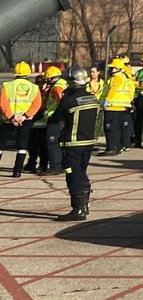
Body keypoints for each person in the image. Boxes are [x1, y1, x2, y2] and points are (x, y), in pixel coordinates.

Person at [49, 67, 101, 221]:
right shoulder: (93, 98)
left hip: (72, 143)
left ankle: (78, 210)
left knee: (73, 176)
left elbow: (56, 118)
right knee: (81, 172)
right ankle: (84, 206)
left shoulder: (69, 100)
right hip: (88, 142)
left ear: (72, 82)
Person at [2, 63, 42, 178]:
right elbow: (36, 104)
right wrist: (24, 116)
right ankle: (17, 171)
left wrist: (12, 117)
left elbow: (3, 104)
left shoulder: (7, 85)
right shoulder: (34, 88)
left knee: (1, 144)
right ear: (28, 73)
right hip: (26, 120)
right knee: (22, 145)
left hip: (9, 120)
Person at [101, 56, 136, 155]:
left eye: (113, 68)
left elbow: (113, 90)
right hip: (121, 107)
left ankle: (111, 148)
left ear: (118, 69)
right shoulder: (125, 78)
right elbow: (131, 90)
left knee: (109, 128)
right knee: (117, 129)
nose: (111, 69)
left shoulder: (116, 78)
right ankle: (117, 147)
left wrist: (106, 101)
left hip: (112, 106)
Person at [38, 65, 68, 175]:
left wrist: (57, 116)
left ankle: (55, 167)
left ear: (50, 78)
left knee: (52, 143)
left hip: (56, 119)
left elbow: (61, 102)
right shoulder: (64, 84)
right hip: (62, 119)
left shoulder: (57, 87)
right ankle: (63, 165)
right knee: (61, 143)